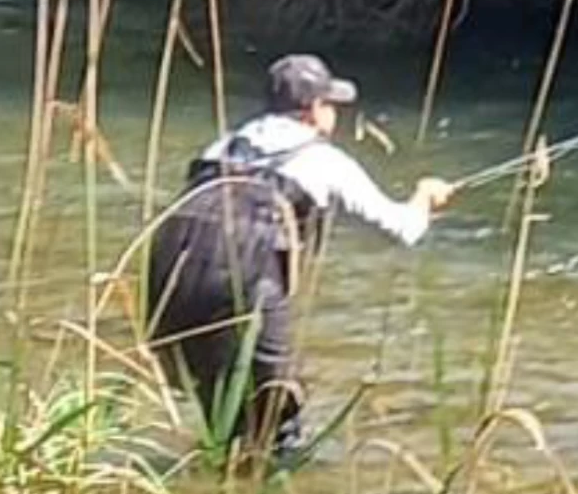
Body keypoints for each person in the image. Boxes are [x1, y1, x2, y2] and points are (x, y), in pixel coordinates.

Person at [142, 53, 455, 458]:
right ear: (313, 112)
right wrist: (425, 197)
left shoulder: (223, 144)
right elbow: (402, 230)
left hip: (169, 270)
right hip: (245, 278)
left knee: (222, 416)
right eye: (330, 105)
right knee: (276, 425)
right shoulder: (324, 160)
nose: (334, 115)